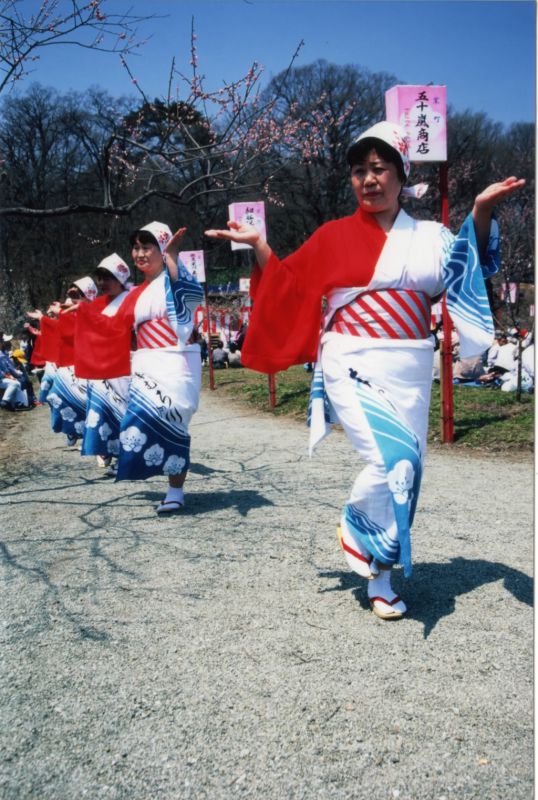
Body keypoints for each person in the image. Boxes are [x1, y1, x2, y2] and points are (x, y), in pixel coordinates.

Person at [206, 120, 524, 621]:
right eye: (359, 171)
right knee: (391, 460)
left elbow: (467, 266)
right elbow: (290, 284)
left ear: (401, 174)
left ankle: (380, 575)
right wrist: (262, 248)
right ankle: (359, 531)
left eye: (378, 169)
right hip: (351, 357)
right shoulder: (333, 236)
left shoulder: (431, 237)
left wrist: (481, 213)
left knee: (408, 470)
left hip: (411, 363)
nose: (368, 180)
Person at [74, 221, 204, 514]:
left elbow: (189, 293)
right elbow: (109, 326)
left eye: (148, 247)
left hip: (177, 358)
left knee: (173, 419)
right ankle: (153, 472)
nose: (140, 253)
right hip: (146, 361)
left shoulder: (175, 277)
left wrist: (173, 258)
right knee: (139, 418)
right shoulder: (135, 293)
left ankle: (175, 489)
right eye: (136, 247)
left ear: (162, 250)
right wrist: (82, 311)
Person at [79, 254, 132, 474]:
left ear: (120, 278)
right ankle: (112, 454)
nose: (102, 283)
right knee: (104, 411)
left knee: (125, 411)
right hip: (105, 367)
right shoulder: (99, 304)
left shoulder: (133, 297)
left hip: (127, 365)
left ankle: (126, 458)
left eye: (107, 278)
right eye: (100, 278)